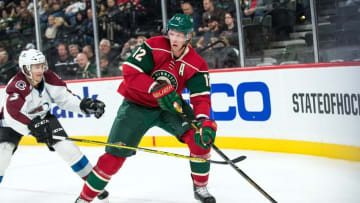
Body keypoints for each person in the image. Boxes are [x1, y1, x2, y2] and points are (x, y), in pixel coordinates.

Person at [74, 13, 218, 203]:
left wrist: (202, 119)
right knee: (113, 157)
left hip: (170, 107)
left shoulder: (197, 64)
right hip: (136, 105)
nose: (174, 39)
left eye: (180, 35)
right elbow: (130, 71)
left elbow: (201, 97)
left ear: (189, 36)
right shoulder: (154, 45)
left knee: (199, 139)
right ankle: (84, 199)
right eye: (172, 34)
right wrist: (157, 88)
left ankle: (200, 188)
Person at [0, 49, 109, 202]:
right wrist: (32, 127)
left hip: (43, 118)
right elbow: (12, 115)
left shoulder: (49, 77)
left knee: (69, 150)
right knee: (2, 154)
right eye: (35, 67)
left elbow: (64, 98)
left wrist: (84, 105)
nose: (40, 70)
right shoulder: (17, 85)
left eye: (41, 65)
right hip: (13, 123)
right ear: (25, 69)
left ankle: (96, 189)